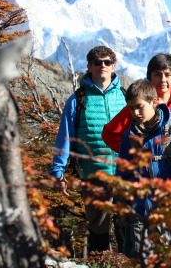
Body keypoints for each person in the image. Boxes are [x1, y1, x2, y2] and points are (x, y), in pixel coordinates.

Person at [49, 45, 127, 253]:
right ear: (89, 67)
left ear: (113, 66)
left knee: (127, 226)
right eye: (98, 62)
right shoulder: (77, 99)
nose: (103, 66)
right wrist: (58, 171)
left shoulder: (126, 96)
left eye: (107, 62)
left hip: (125, 172)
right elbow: (65, 137)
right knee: (98, 229)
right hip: (93, 174)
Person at [116, 80, 171, 262]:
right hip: (139, 210)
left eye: (139, 107)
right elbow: (123, 174)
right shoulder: (129, 136)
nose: (135, 113)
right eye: (131, 108)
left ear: (154, 102)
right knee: (140, 259)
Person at [102, 53, 171, 154]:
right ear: (150, 78)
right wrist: (131, 150)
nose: (163, 80)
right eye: (157, 75)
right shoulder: (139, 106)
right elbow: (109, 134)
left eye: (167, 75)